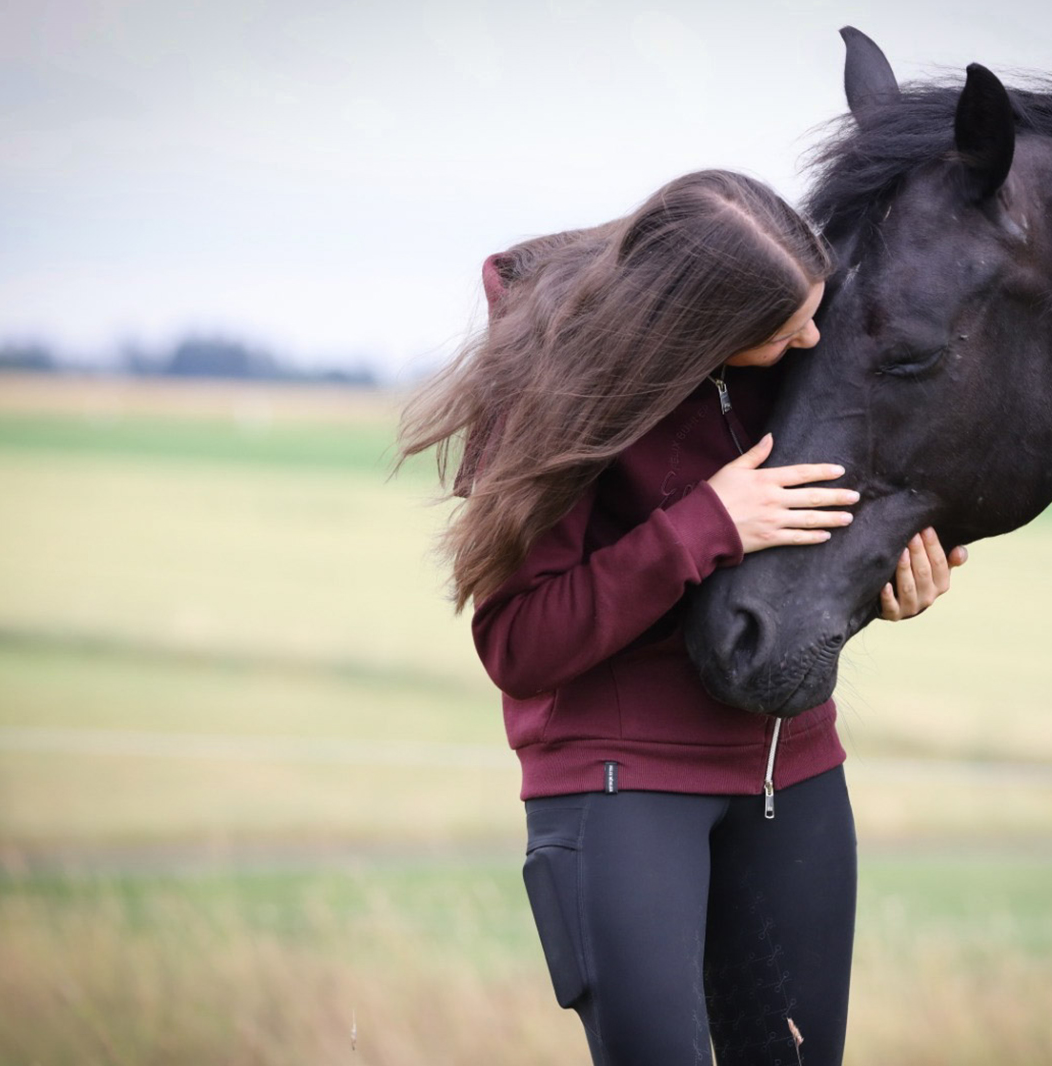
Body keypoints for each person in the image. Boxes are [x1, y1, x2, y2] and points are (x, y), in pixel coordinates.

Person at [399, 169, 966, 1066]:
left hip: (793, 771)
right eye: (786, 332)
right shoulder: (550, 381)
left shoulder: (801, 356)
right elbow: (519, 644)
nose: (815, 340)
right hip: (619, 784)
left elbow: (828, 545)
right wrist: (705, 525)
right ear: (701, 329)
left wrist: (891, 583)